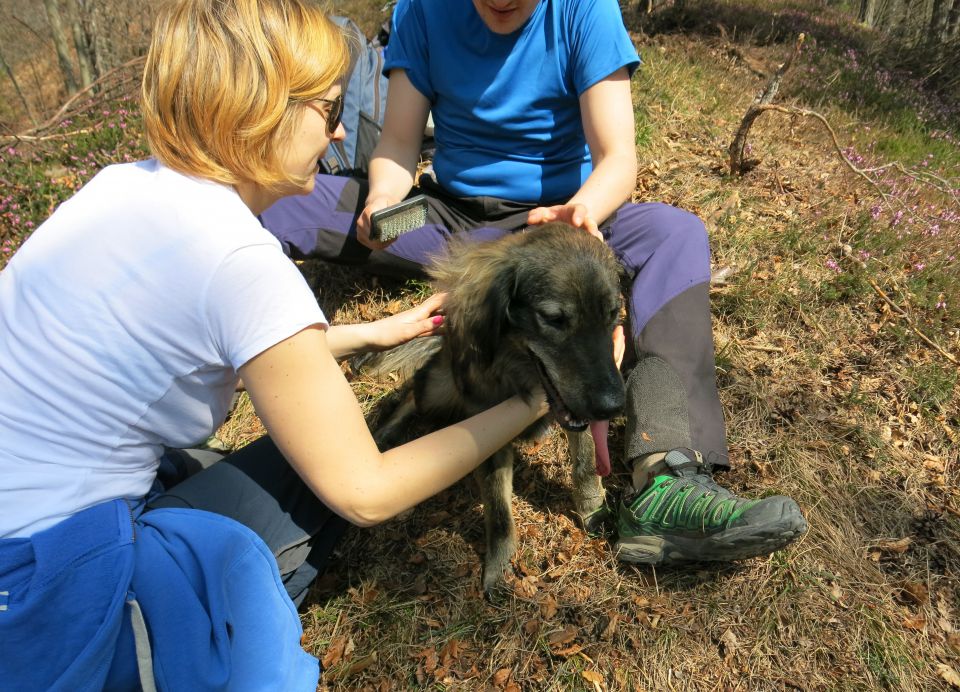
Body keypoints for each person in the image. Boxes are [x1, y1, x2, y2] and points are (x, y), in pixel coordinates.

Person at [0, 0, 558, 688]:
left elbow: (186, 349)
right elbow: (366, 494)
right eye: (328, 112)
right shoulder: (239, 259)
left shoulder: (119, 188)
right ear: (262, 107)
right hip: (48, 576)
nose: (337, 136)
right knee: (336, 459)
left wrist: (371, 334)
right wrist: (531, 403)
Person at [260, 0, 809, 566]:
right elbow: (399, 142)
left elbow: (618, 157)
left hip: (563, 221)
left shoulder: (584, 10)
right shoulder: (422, 11)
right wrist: (382, 202)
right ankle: (229, 347)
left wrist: (584, 212)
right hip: (451, 217)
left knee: (675, 234)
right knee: (274, 197)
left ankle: (667, 474)